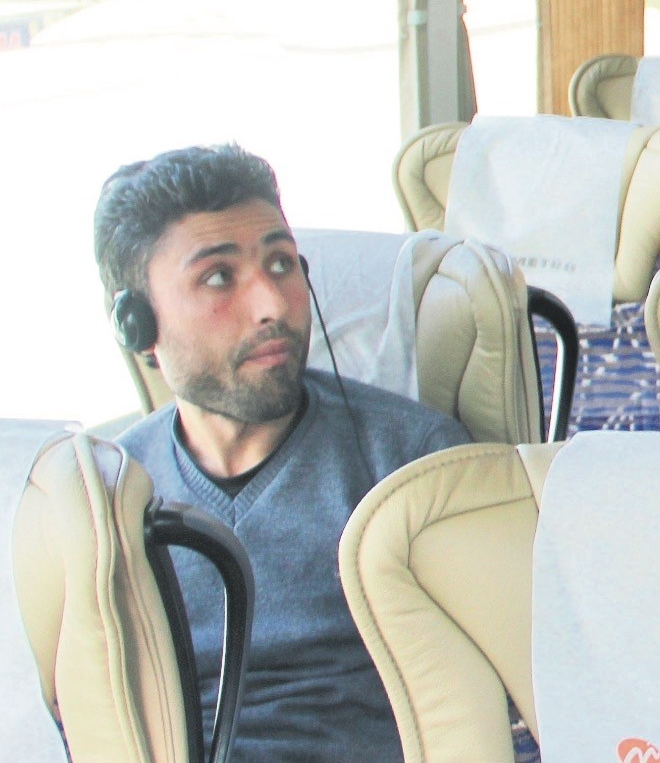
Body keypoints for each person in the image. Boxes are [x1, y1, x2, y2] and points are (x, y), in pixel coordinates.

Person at [96, 144, 470, 762]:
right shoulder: (107, 499)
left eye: (280, 264)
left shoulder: (411, 466)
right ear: (139, 325)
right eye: (219, 277)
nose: (271, 304)